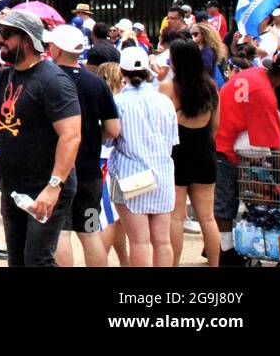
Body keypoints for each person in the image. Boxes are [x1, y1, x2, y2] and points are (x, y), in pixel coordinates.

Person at [0, 9, 80, 267]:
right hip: (13, 188)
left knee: (37, 261)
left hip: (45, 186)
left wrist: (53, 187)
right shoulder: (1, 78)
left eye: (6, 35)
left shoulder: (53, 81)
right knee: (17, 261)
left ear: (27, 40)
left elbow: (71, 136)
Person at [44, 25, 120, 268]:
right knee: (90, 231)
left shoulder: (48, 79)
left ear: (56, 49)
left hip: (59, 171)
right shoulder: (96, 83)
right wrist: (92, 135)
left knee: (60, 232)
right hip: (90, 171)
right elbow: (113, 129)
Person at [213, 52, 280, 266]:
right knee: (226, 203)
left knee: (231, 198)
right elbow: (275, 150)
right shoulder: (264, 93)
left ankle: (225, 248)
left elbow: (273, 114)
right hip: (224, 144)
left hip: (224, 133)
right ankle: (226, 253)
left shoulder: (258, 74)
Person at [108, 45, 178, 267]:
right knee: (162, 240)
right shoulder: (164, 102)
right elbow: (172, 141)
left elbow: (110, 138)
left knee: (139, 241)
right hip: (162, 174)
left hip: (130, 174)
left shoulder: (118, 103)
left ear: (122, 72)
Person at [158, 38, 220, 267]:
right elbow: (215, 126)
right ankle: (214, 264)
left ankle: (173, 264)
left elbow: (161, 126)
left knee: (176, 216)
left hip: (177, 155)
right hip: (204, 152)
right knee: (207, 217)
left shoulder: (167, 88)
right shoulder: (211, 86)